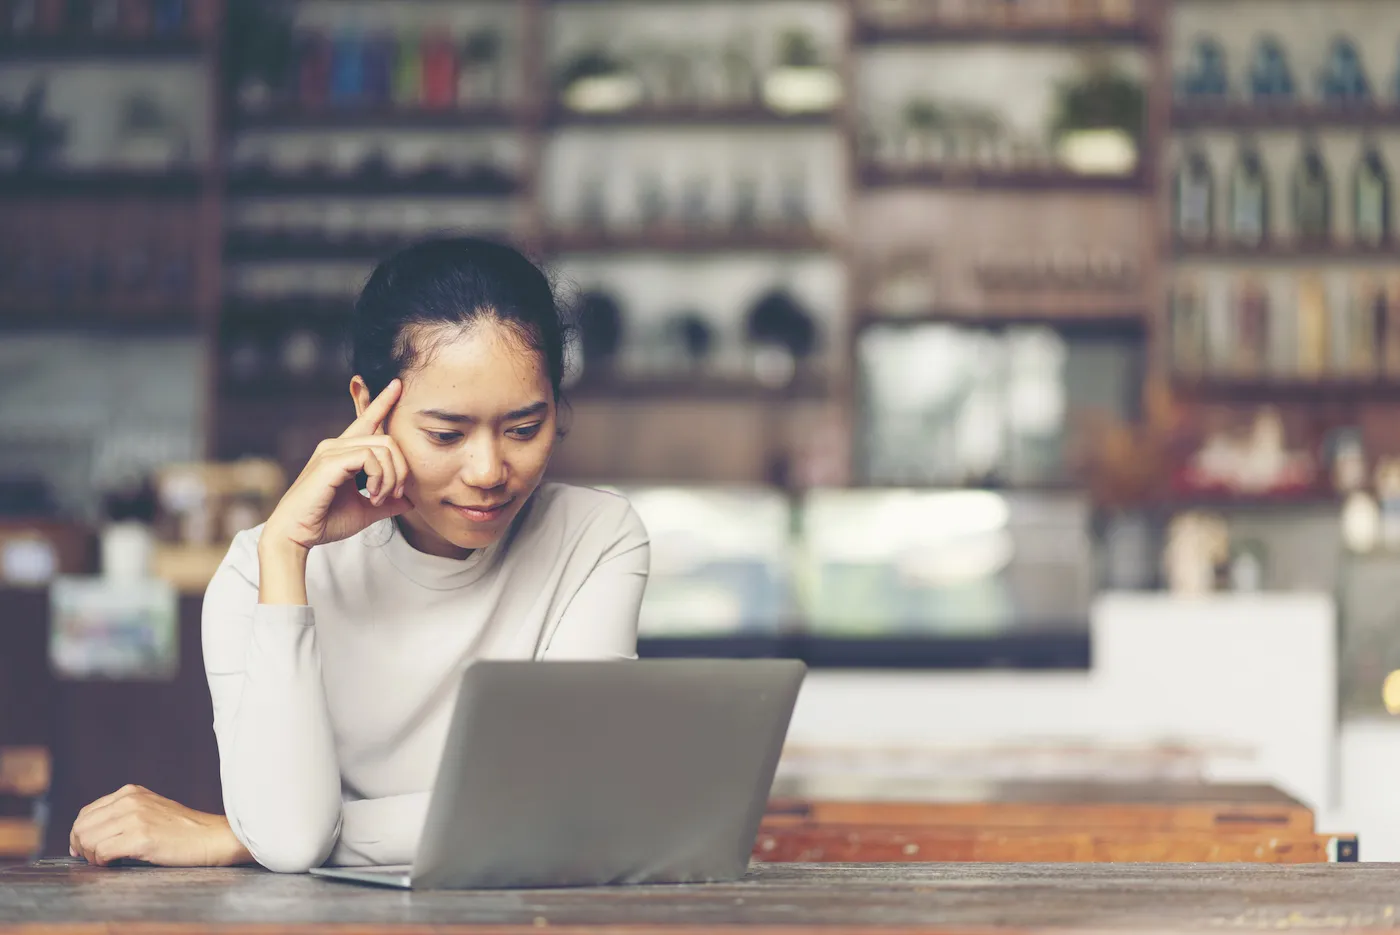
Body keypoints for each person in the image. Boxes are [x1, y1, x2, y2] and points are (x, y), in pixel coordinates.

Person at [67, 237, 651, 872]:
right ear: (367, 408)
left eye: (523, 429)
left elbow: (571, 809)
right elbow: (292, 842)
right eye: (446, 434)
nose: (488, 470)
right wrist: (288, 552)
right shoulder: (255, 569)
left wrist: (236, 837)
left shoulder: (596, 539)